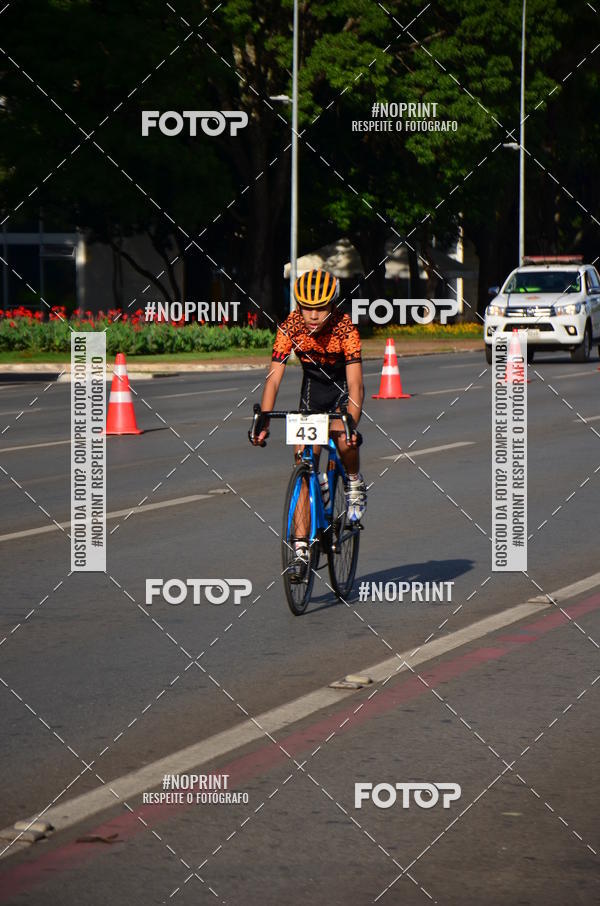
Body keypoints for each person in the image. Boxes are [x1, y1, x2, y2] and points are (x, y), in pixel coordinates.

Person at [249, 268, 367, 576]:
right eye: (307, 308)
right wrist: (263, 418)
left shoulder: (345, 329)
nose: (313, 316)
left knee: (342, 437)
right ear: (298, 305)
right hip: (313, 396)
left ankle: (353, 481)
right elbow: (273, 379)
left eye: (321, 308)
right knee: (303, 463)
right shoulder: (290, 326)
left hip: (342, 394)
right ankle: (301, 548)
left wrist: (351, 423)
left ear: (333, 305)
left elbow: (356, 385)